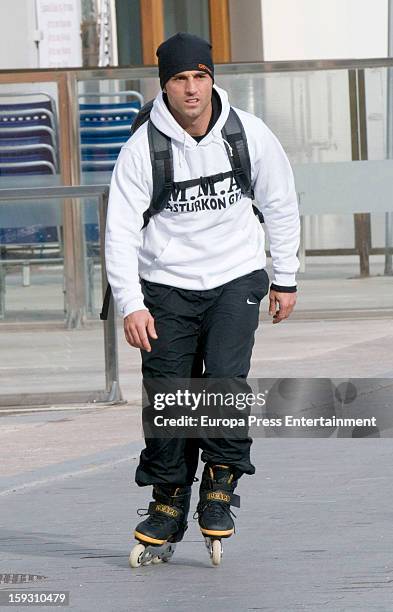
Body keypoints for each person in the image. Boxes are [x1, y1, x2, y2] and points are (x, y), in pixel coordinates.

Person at [105, 32, 300, 564]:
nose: (191, 89)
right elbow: (119, 231)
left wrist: (284, 278)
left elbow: (280, 203)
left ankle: (219, 483)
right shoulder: (143, 148)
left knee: (223, 378)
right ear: (164, 86)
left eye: (200, 76)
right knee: (169, 392)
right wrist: (131, 303)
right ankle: (167, 498)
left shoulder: (248, 134)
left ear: (212, 79)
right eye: (179, 79)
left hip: (235, 276)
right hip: (165, 284)